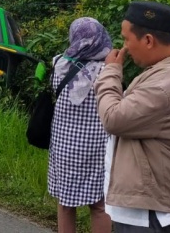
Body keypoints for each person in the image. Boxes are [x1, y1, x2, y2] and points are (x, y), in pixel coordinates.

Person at [95, 1, 170, 233]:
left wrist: (110, 73)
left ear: (147, 40)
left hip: (153, 213)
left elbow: (113, 118)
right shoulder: (164, 73)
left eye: (126, 39)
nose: (124, 48)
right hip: (149, 206)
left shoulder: (166, 83)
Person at [47, 17, 112, 233]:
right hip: (97, 147)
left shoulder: (59, 63)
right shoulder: (107, 71)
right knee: (100, 206)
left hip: (64, 144)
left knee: (66, 203)